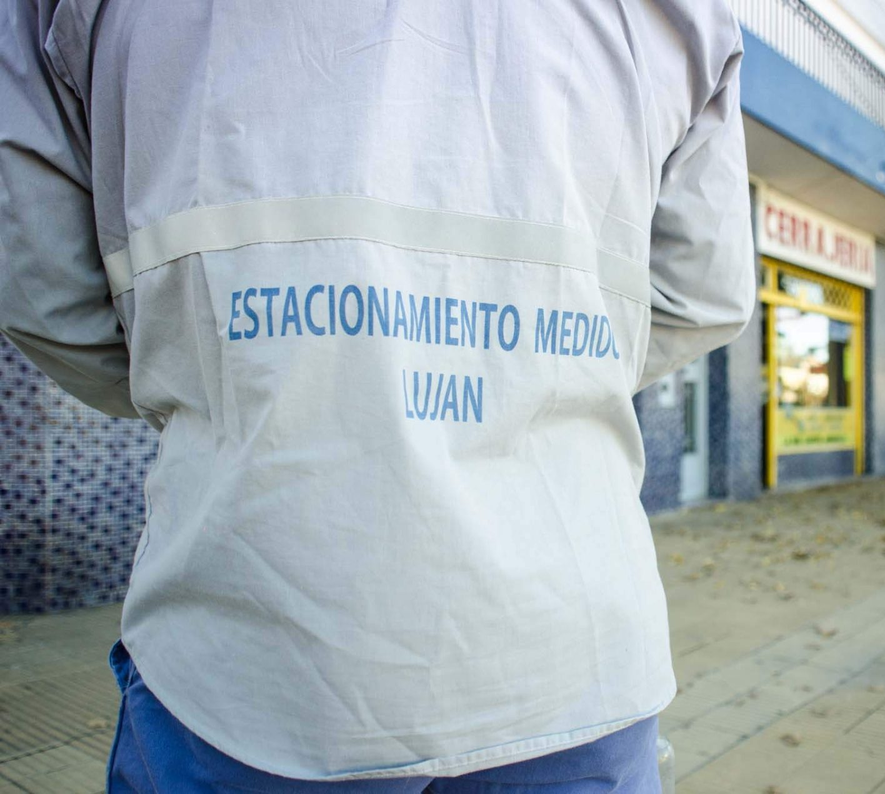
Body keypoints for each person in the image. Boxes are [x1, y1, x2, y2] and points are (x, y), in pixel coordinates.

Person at [0, 1, 756, 791]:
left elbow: (45, 293)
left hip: (255, 664)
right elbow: (704, 295)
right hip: (576, 664)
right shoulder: (690, 14)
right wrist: (526, 366)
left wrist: (229, 377)